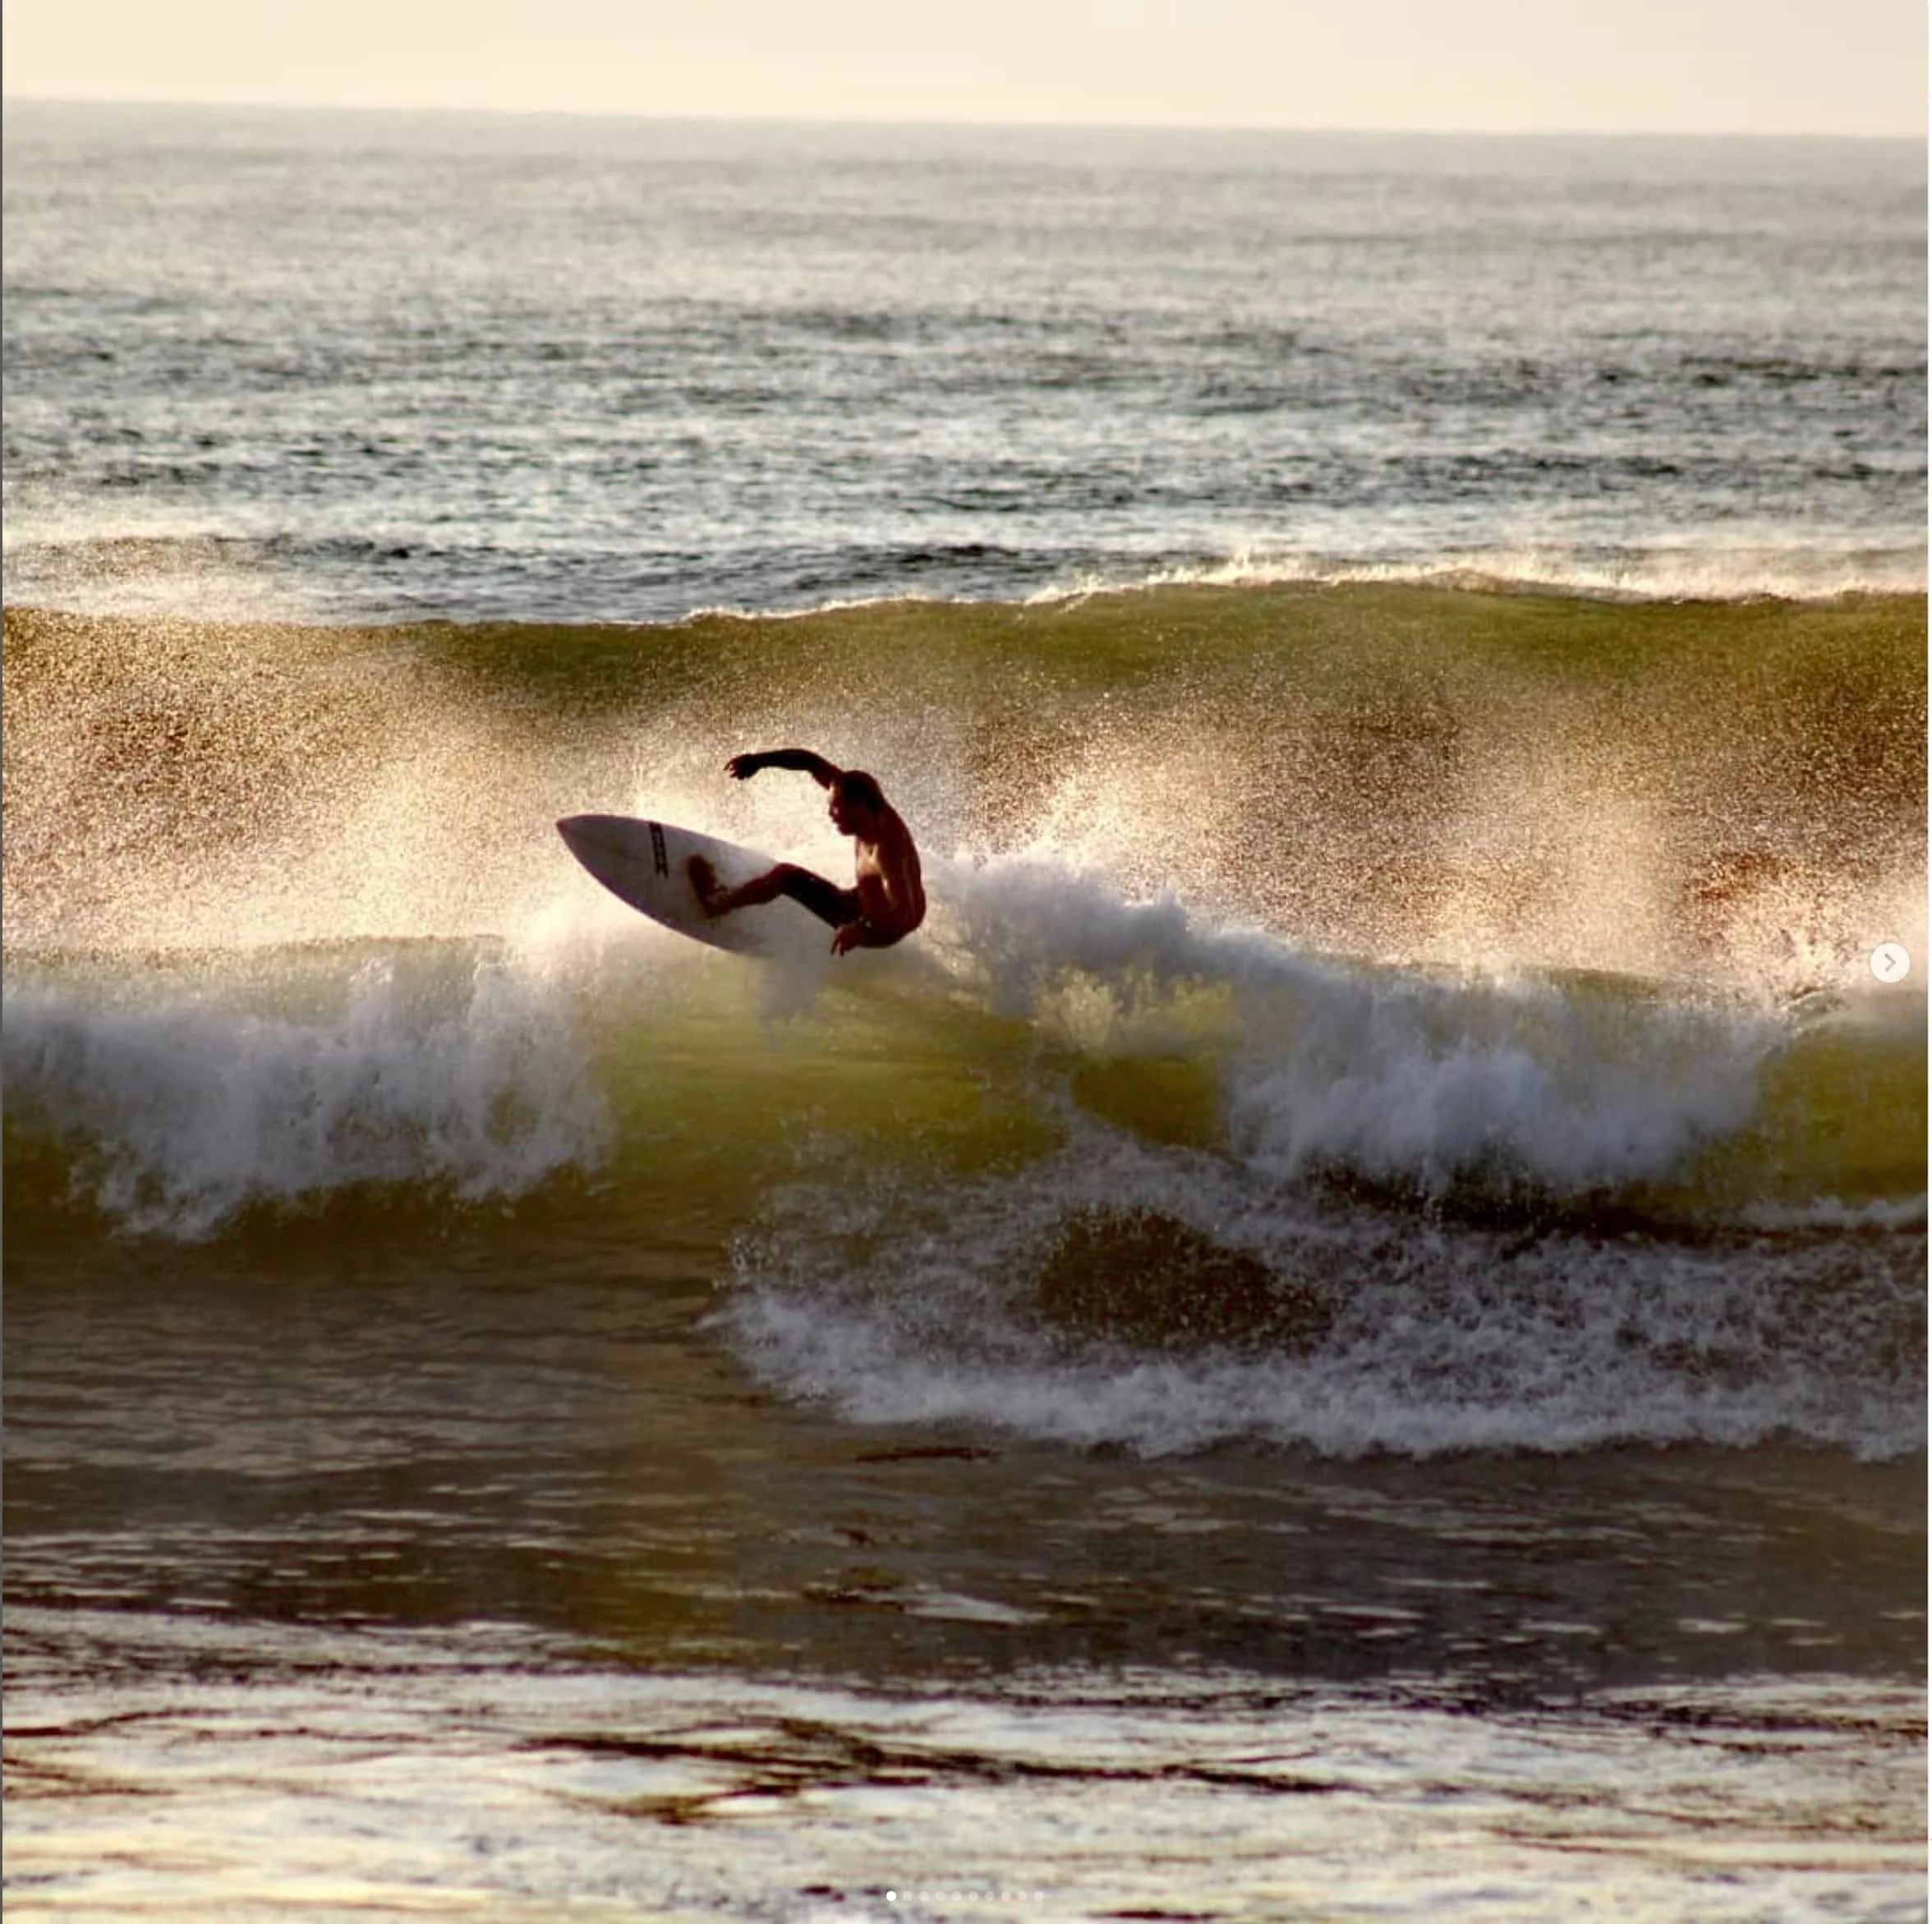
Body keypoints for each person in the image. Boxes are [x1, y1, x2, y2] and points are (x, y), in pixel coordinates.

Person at [689, 749, 926, 955]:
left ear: (858, 808)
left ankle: (717, 903)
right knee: (811, 886)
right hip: (868, 903)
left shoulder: (886, 851)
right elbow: (809, 762)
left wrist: (862, 928)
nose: (831, 814)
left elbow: (905, 916)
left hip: (881, 928)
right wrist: (759, 761)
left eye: (836, 808)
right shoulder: (863, 800)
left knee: (787, 876)